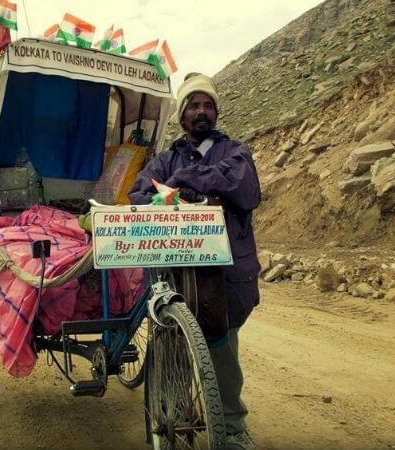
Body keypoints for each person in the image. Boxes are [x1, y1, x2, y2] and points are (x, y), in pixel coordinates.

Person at [128, 73, 261, 450]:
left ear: (216, 112)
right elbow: (139, 194)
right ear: (182, 115)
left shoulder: (236, 151)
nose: (201, 112)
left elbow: (245, 188)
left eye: (208, 105)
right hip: (173, 272)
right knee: (173, 347)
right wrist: (166, 197)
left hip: (226, 275)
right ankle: (171, 418)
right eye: (193, 105)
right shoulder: (164, 159)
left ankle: (232, 428)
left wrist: (188, 178)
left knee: (222, 354)